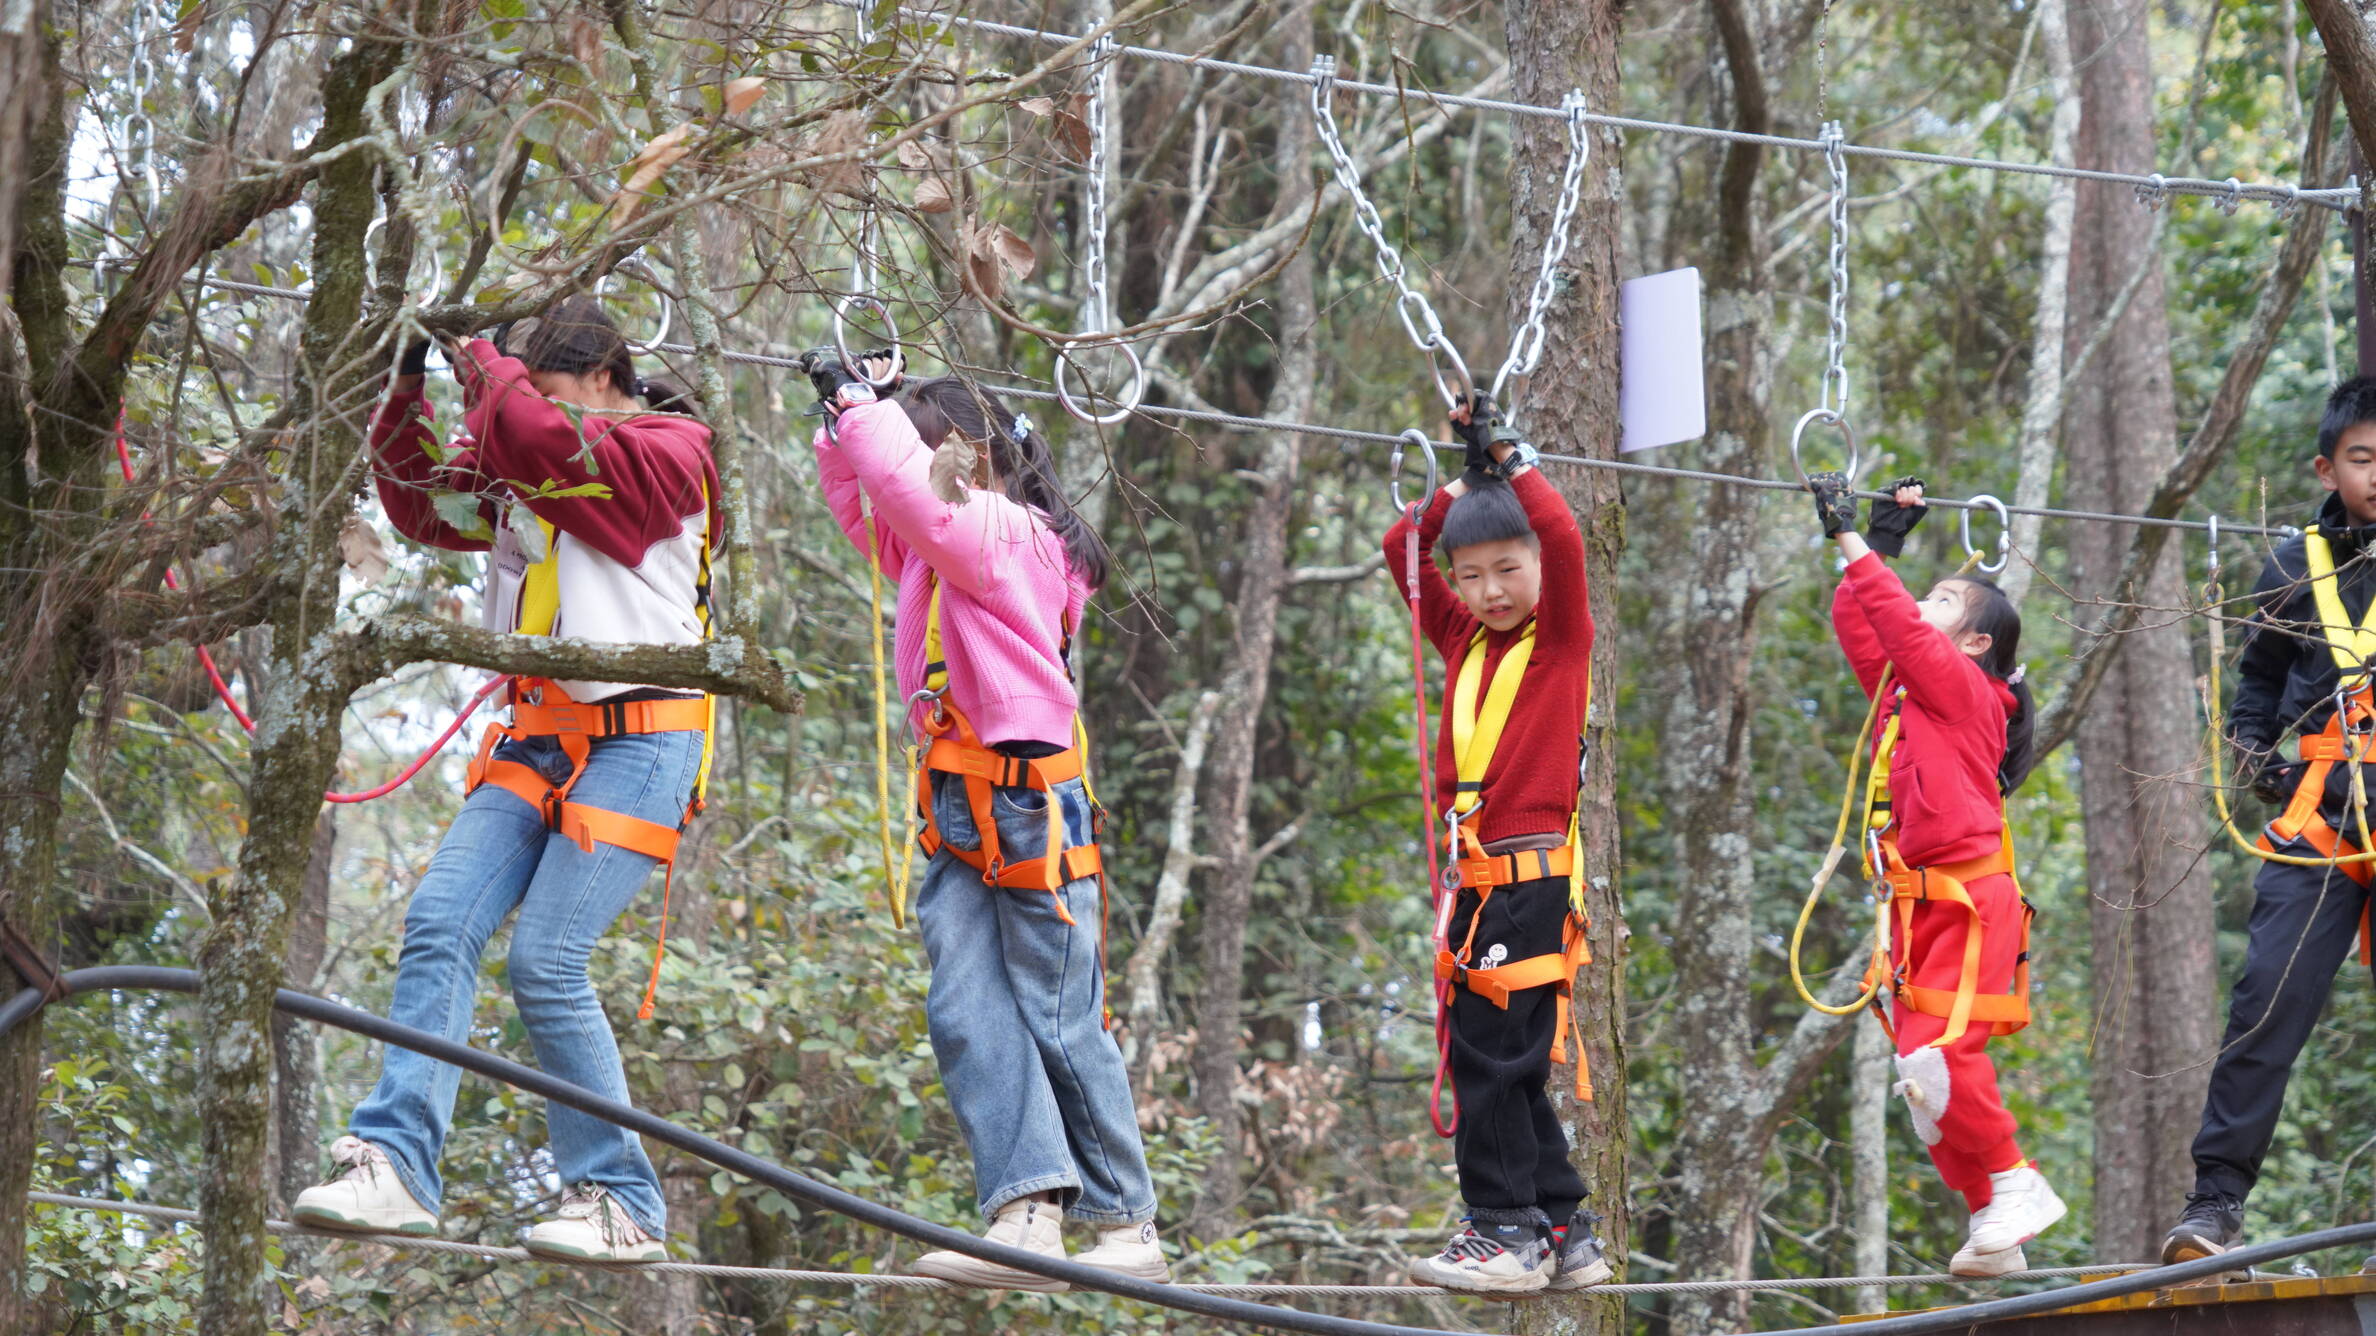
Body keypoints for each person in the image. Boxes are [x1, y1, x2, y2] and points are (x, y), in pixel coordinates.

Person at [291, 298, 719, 1264]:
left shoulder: (667, 450)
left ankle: (620, 1198)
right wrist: (404, 385)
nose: (529, 410)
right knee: (440, 921)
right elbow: (419, 502)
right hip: (540, 735)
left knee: (548, 962)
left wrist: (482, 358)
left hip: (647, 732)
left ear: (605, 379)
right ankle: (396, 1164)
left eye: (550, 389)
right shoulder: (532, 462)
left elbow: (530, 430)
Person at [801, 347, 1166, 1289]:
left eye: (926, 466)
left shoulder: (1008, 532)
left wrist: (861, 405)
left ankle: (1126, 1216)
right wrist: (843, 425)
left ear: (974, 461)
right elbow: (871, 506)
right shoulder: (938, 542)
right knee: (964, 1007)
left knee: (1056, 1007)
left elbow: (914, 497)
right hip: (961, 802)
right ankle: (1027, 1208)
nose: (909, 491)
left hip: (1029, 797)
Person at [1383, 393, 1611, 1296]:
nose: (1488, 592)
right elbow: (1399, 552)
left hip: (1525, 880)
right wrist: (1457, 481)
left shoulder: (1559, 642)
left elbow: (1563, 540)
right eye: (1470, 574)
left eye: (1506, 570)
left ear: (1537, 572)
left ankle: (1503, 1229)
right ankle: (1563, 1225)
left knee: (1491, 1057)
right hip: (1482, 882)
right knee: (1505, 1058)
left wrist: (1510, 460)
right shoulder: (1462, 637)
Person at [1811, 472, 2062, 1277]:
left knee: (1942, 1057)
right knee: (1921, 1076)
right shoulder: (1907, 698)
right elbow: (1864, 627)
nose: (1925, 604)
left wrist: (1850, 541)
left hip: (1968, 899)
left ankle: (2015, 1179)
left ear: (1977, 642)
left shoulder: (1966, 691)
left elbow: (1897, 627)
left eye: (1944, 602)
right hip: (1920, 907)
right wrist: (1881, 538)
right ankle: (1993, 1206)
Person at [2165, 376, 2376, 1266]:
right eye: (2364, 458)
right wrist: (2251, 747)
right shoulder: (2294, 564)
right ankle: (2214, 1204)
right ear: (2326, 467)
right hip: (2320, 814)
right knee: (2266, 1005)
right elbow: (2259, 676)